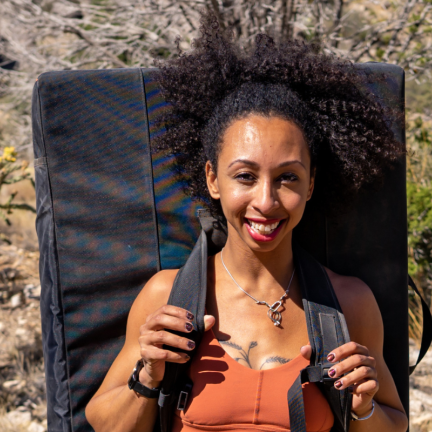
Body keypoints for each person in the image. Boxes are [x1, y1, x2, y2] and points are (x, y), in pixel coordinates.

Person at [85, 9, 407, 432]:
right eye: (245, 176)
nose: (267, 200)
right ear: (212, 179)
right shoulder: (170, 296)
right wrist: (147, 375)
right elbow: (103, 424)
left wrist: (363, 406)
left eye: (288, 177)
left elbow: (393, 423)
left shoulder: (348, 305)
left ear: (311, 186)